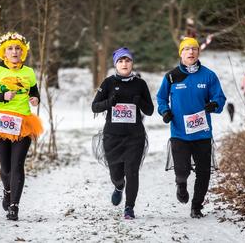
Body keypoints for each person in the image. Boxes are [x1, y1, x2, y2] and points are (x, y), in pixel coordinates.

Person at [0, 31, 43, 221]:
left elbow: (36, 93)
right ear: (3, 53)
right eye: (10, 49)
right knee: (5, 168)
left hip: (23, 122)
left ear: (23, 52)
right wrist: (1, 97)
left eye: (18, 49)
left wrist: (35, 99)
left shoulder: (28, 72)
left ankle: (14, 206)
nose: (15, 52)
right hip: (0, 122)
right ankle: (7, 190)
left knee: (17, 166)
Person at [156, 37, 226, 218]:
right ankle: (181, 184)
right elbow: (161, 98)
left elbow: (220, 97)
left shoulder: (209, 75)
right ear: (181, 53)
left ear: (198, 52)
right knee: (182, 170)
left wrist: (214, 105)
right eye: (186, 49)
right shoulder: (171, 76)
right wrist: (165, 111)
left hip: (202, 132)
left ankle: (196, 206)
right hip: (179, 132)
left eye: (194, 49)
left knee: (204, 173)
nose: (191, 52)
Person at [92, 47, 154, 219]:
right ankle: (119, 186)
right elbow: (94, 106)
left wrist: (140, 101)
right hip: (112, 137)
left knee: (132, 171)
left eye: (127, 60)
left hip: (135, 137)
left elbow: (149, 110)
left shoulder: (140, 84)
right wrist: (108, 103)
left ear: (132, 63)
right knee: (116, 175)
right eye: (121, 61)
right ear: (115, 64)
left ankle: (129, 208)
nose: (124, 63)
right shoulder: (108, 83)